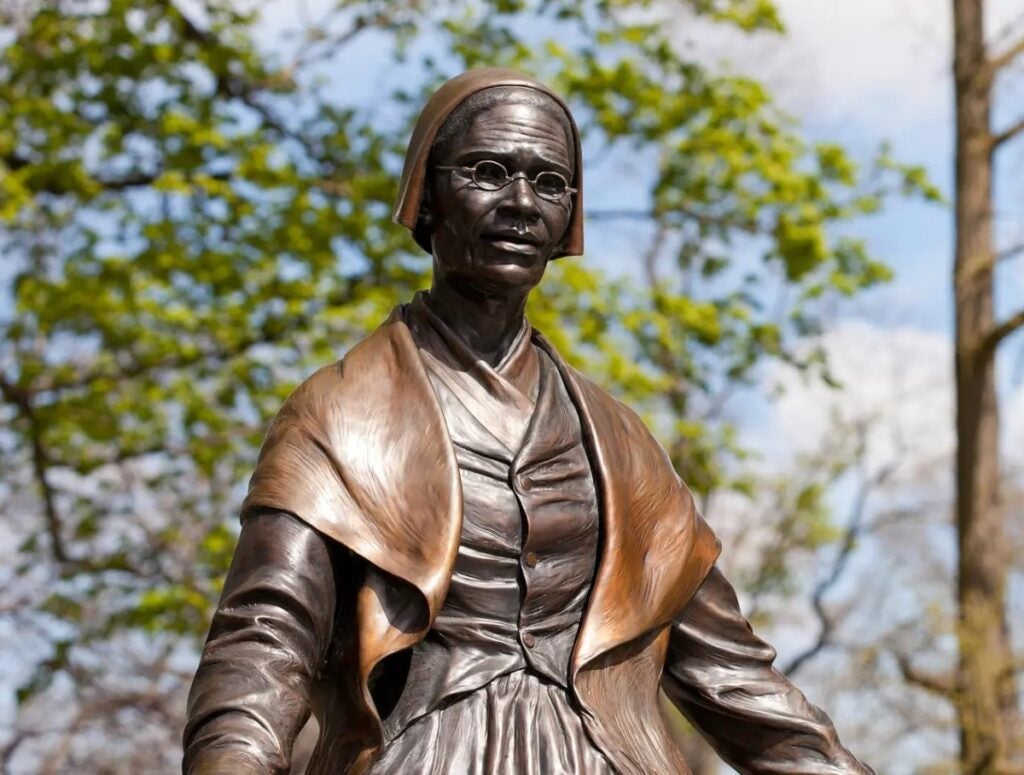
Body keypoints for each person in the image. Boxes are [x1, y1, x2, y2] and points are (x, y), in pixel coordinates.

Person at [183, 68, 872, 775]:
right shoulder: (342, 414)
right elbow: (262, 646)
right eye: (488, 172)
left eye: (549, 183)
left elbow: (738, 682)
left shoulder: (622, 444)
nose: (520, 203)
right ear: (428, 196)